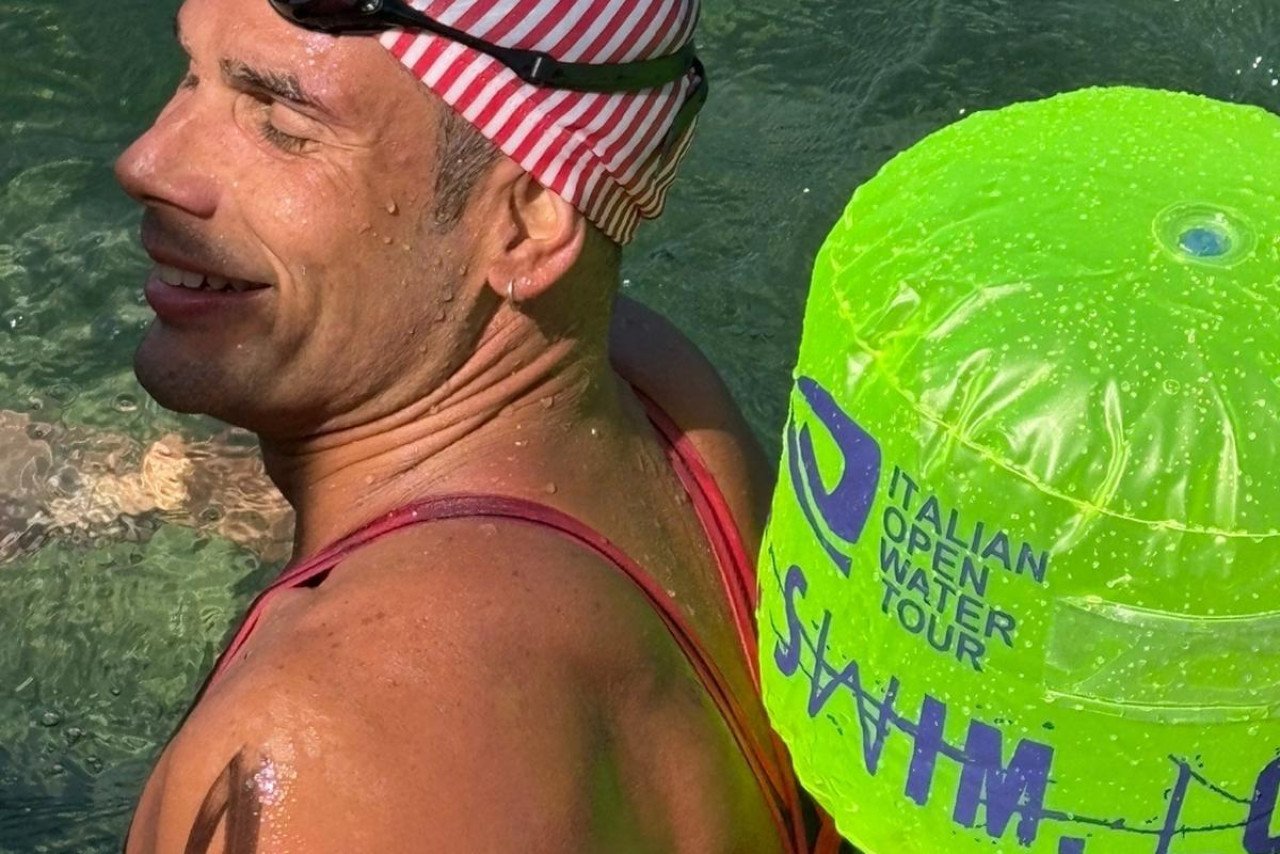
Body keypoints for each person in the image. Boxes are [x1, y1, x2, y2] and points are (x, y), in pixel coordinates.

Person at [114, 0, 840, 850]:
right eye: (191, 73)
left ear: (528, 224)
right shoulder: (662, 404)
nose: (147, 161)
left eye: (281, 123)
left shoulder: (320, 751)